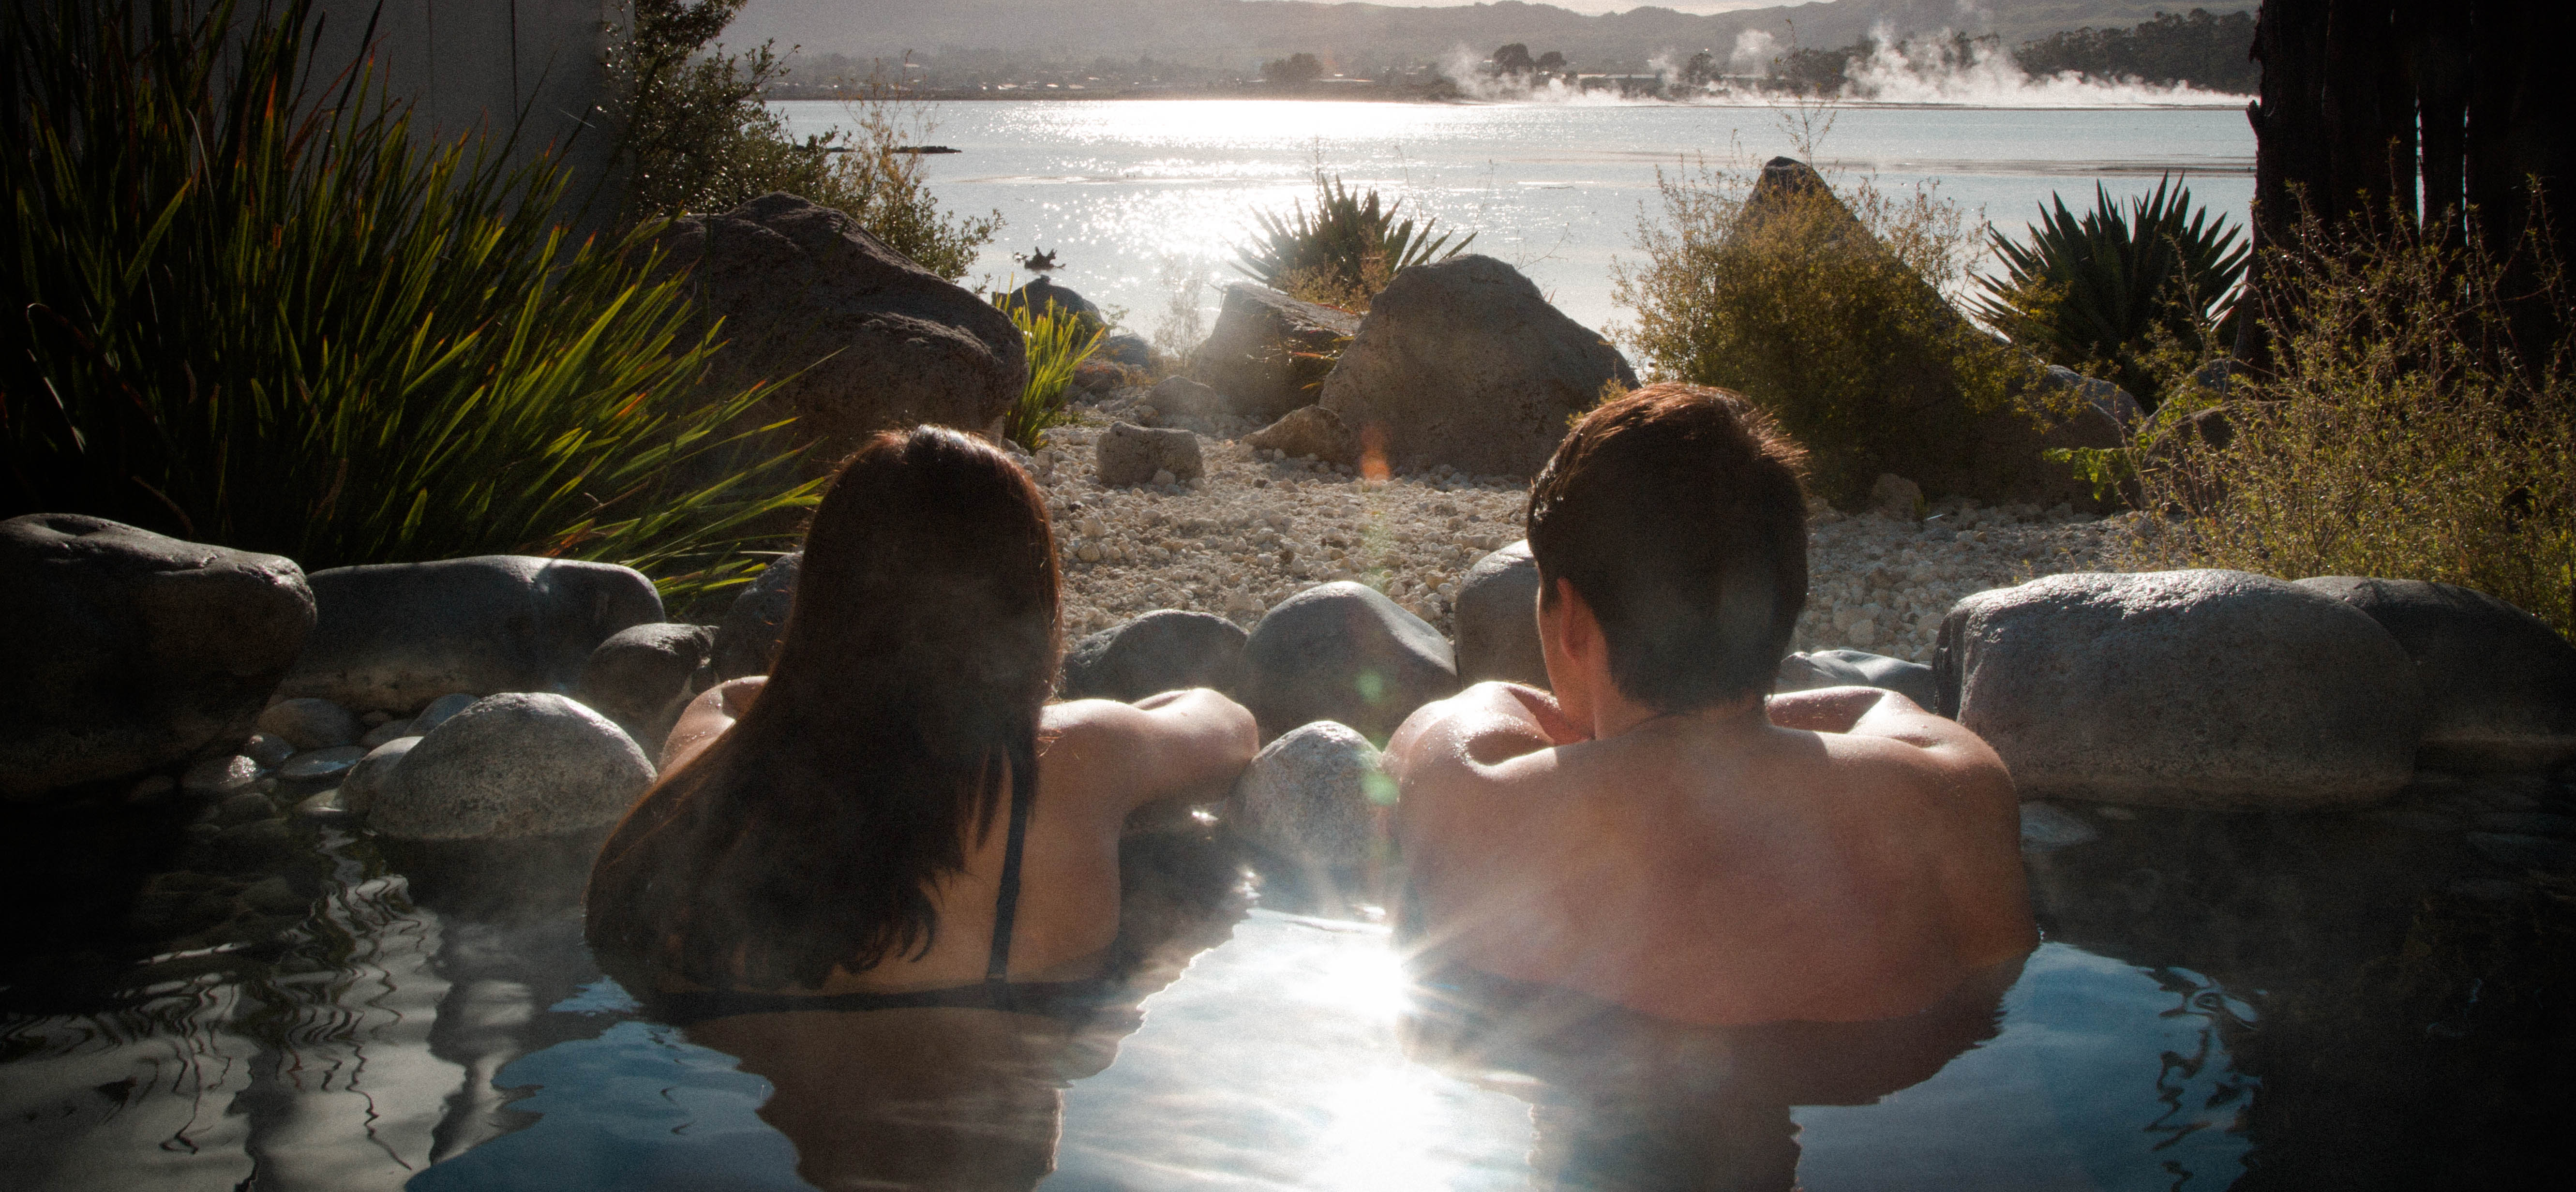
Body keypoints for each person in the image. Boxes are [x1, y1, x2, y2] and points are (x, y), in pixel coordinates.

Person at [1386, 384, 2035, 1028]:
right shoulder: (1958, 790)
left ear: (1573, 619)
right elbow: (1875, 704)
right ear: (1783, 598)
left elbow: (1472, 712)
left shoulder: (1466, 787)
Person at [586, 424, 1258, 1020]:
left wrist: (841, 685)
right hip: (983, 1091)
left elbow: (736, 696)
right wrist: (1040, 722)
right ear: (1026, 606)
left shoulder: (708, 771)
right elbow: (1230, 726)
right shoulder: (1082, 760)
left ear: (820, 598)